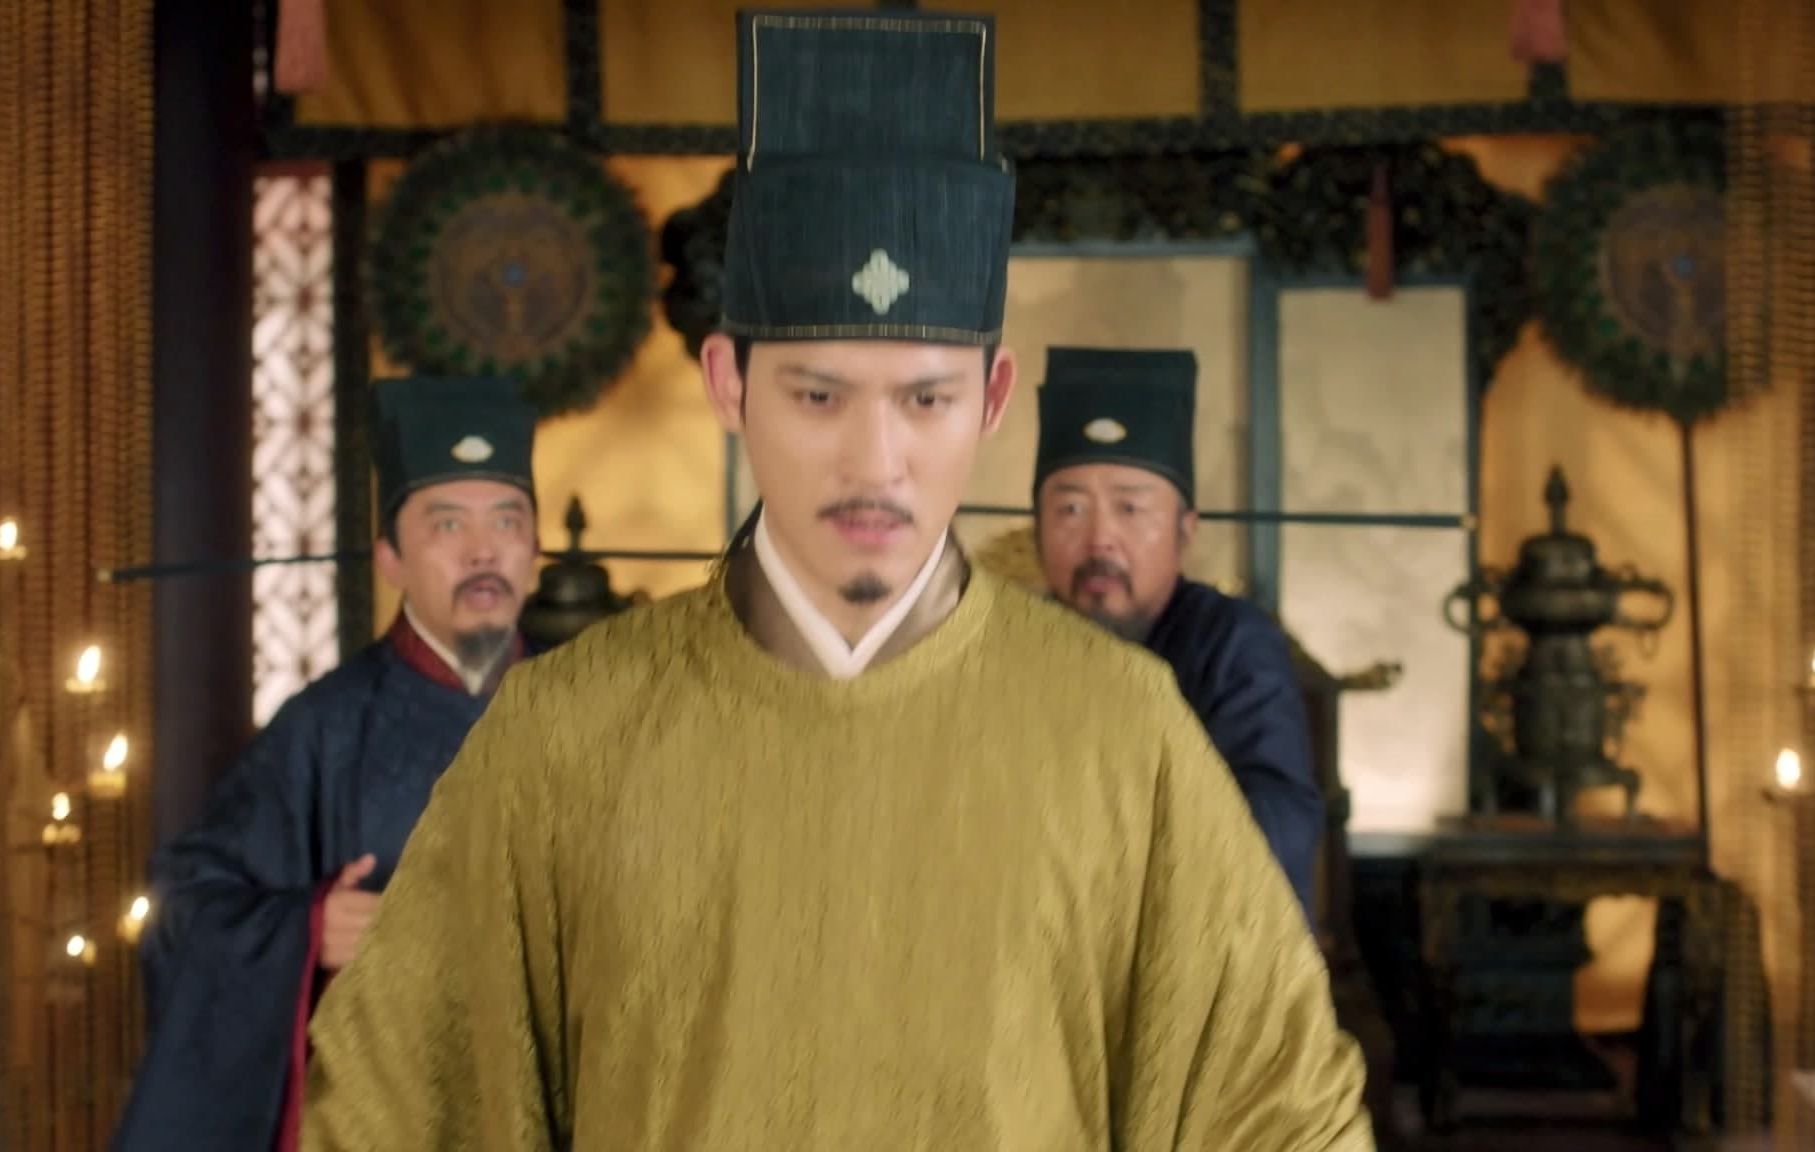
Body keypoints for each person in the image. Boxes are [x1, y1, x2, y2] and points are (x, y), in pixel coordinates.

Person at [302, 11, 1373, 1150]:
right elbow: (395, 1101)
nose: (875, 463)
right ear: (728, 383)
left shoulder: (1124, 730)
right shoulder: (561, 733)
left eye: (926, 399)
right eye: (818, 396)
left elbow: (1278, 1112)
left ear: (992, 398)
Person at [113, 376, 543, 1152]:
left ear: (536, 552)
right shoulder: (326, 728)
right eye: (448, 523)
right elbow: (182, 910)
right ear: (390, 558)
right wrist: (307, 930)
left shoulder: (595, 712)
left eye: (507, 521)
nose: (483, 551)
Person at [1032, 346, 1326, 917]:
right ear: (1037, 529)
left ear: (1185, 533)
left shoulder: (1231, 642)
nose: (1100, 539)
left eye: (1130, 509)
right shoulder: (1011, 646)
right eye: (1071, 510)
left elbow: (1277, 828)